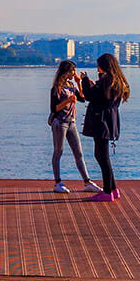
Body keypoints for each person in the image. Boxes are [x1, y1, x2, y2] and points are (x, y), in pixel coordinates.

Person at [80, 53, 129, 202]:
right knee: (103, 156)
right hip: (110, 121)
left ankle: (107, 192)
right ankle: (112, 189)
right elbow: (101, 94)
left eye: (98, 65)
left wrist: (83, 80)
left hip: (101, 122)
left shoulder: (107, 81)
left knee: (102, 156)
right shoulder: (117, 81)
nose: (98, 68)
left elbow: (90, 95)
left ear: (103, 66)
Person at [48, 60, 102, 194]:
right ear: (66, 71)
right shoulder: (56, 87)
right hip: (60, 122)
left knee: (78, 152)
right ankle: (58, 182)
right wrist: (67, 101)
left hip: (71, 122)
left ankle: (87, 182)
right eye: (73, 71)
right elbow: (54, 108)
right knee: (58, 152)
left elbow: (83, 98)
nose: (74, 73)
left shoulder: (72, 85)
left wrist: (79, 82)